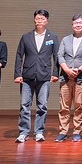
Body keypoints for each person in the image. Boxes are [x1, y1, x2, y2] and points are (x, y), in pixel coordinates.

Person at [13, 9, 59, 143]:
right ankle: (23, 132)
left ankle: (39, 132)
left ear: (47, 21)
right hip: (27, 76)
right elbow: (19, 56)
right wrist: (17, 74)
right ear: (34, 19)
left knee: (42, 106)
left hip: (44, 76)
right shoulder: (26, 37)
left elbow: (56, 56)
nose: (40, 21)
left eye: (42, 19)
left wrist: (55, 73)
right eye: (37, 18)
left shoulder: (52, 37)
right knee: (24, 105)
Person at [55, 14, 82, 142]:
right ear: (72, 25)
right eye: (76, 23)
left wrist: (79, 70)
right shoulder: (65, 39)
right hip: (65, 77)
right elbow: (60, 56)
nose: (78, 25)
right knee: (64, 106)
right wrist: (66, 70)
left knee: (79, 106)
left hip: (81, 77)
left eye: (80, 23)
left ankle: (77, 131)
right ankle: (63, 131)